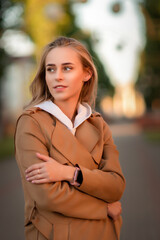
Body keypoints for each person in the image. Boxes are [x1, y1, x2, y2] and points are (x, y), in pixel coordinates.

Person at [15, 36, 125, 240]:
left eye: (67, 68)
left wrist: (69, 173)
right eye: (50, 69)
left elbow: (116, 186)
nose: (57, 76)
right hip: (55, 234)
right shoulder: (31, 122)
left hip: (103, 233)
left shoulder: (98, 125)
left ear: (86, 73)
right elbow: (47, 196)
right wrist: (104, 209)